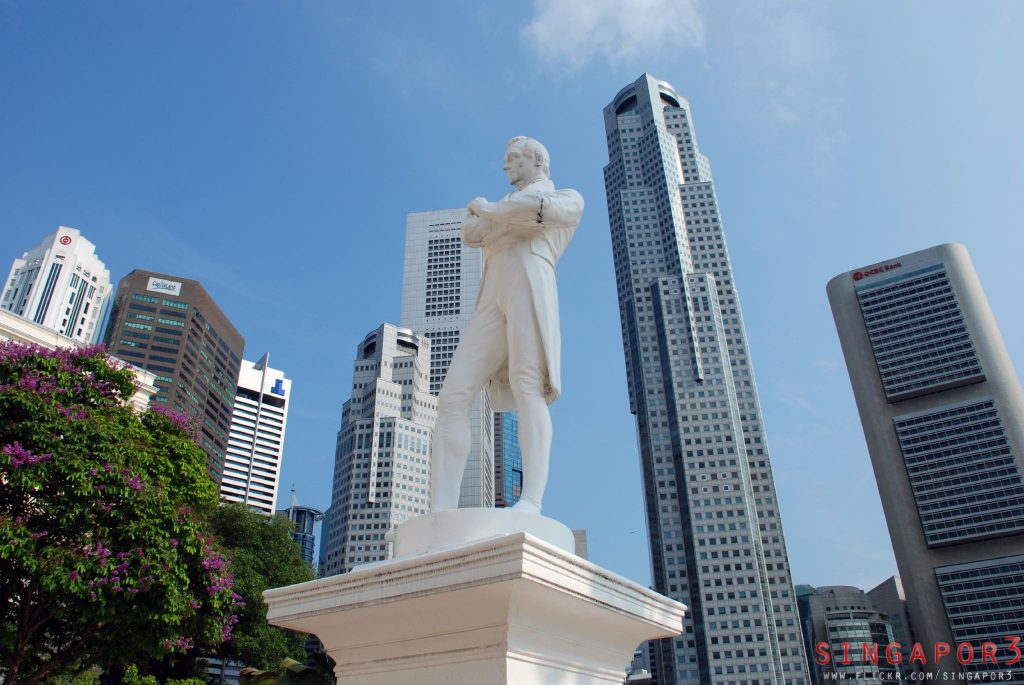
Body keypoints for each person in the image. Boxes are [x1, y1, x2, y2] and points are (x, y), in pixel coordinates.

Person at [430, 136, 584, 515]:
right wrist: (497, 215)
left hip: (531, 280)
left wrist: (488, 209)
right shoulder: (509, 206)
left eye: (513, 158)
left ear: (537, 161)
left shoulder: (568, 196)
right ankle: (442, 509)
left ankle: (531, 500)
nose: (505, 165)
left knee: (528, 384)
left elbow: (539, 208)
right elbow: (470, 233)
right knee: (452, 397)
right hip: (491, 294)